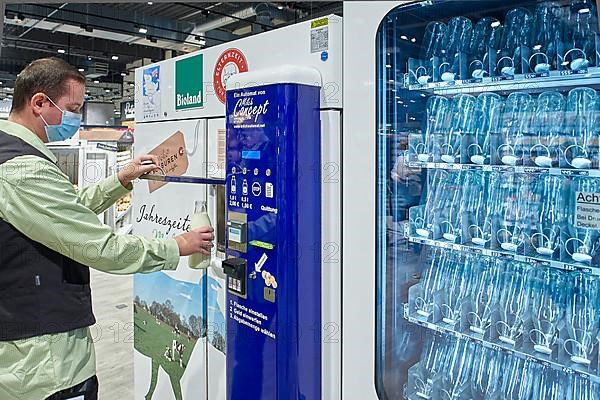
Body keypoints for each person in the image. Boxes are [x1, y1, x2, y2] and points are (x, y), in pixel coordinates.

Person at [0, 57, 214, 400]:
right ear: (39, 102)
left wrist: (120, 180)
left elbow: (63, 214)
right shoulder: (23, 169)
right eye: (72, 108)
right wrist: (177, 246)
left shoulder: (13, 154)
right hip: (44, 363)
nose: (76, 119)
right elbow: (101, 247)